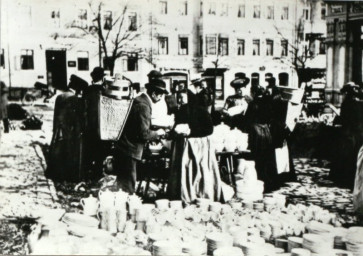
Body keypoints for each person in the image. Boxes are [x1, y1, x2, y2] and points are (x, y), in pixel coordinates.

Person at [167, 88, 223, 203]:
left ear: (190, 98)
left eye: (182, 98)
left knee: (199, 171)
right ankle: (183, 195)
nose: (180, 100)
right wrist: (171, 134)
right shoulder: (180, 111)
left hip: (198, 146)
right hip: (183, 146)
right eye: (178, 98)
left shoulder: (201, 110)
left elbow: (209, 129)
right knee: (184, 171)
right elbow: (176, 127)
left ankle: (199, 195)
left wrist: (191, 132)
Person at [114, 79, 167, 194]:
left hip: (125, 147)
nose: (161, 98)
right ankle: (128, 208)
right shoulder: (143, 105)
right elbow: (143, 134)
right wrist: (158, 133)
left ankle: (122, 207)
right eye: (161, 95)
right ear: (154, 94)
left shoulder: (140, 100)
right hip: (130, 149)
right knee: (127, 186)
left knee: (123, 184)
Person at [47, 75, 88, 181]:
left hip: (60, 129)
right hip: (71, 130)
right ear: (78, 88)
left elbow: (56, 115)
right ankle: (68, 177)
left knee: (58, 152)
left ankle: (56, 175)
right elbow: (77, 118)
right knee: (70, 153)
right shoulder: (75, 99)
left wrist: (55, 129)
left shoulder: (60, 96)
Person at [330, 82, 363, 189]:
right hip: (354, 132)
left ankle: (343, 179)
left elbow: (344, 118)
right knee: (352, 155)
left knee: (346, 155)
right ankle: (349, 179)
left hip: (348, 132)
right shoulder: (356, 103)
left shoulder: (347, 102)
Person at [83, 67, 108, 180]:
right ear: (103, 78)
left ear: (92, 77)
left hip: (90, 125)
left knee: (88, 149)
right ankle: (98, 173)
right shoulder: (106, 90)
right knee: (100, 151)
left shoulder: (87, 90)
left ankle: (87, 173)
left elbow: (84, 108)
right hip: (103, 126)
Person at [0, 81, 9, 146]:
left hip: (2, 101)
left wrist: (2, 91)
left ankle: (6, 129)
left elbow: (6, 90)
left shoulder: (2, 83)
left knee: (4, 115)